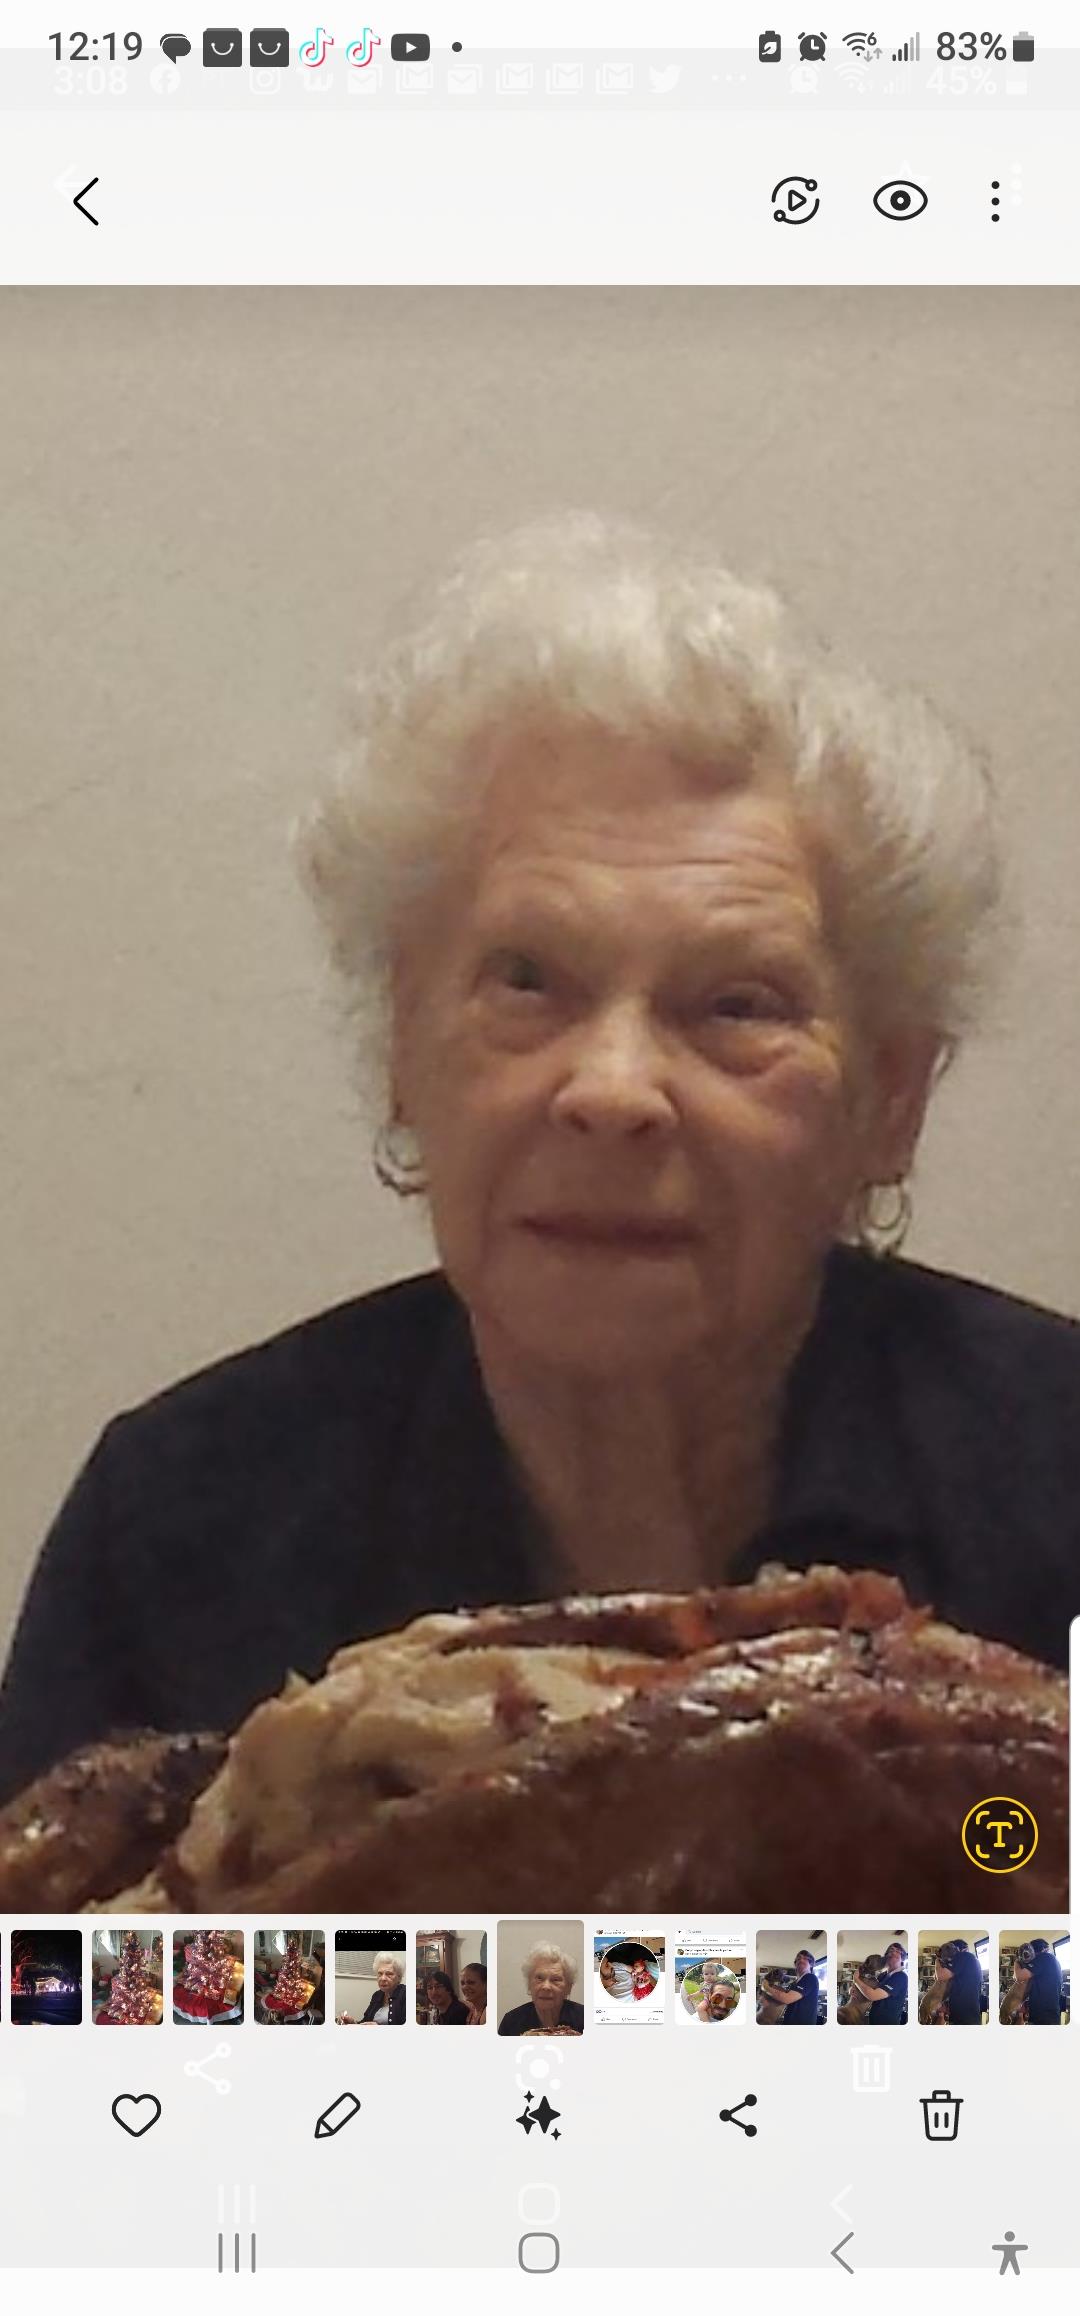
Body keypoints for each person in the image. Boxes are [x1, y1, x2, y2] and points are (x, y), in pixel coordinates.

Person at [5, 513, 1080, 1815]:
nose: (613, 1090)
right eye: (526, 981)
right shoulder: (182, 1525)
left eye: (736, 1003)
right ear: (406, 1047)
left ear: (888, 1101)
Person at [498, 1941, 585, 2035]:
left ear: (568, 1987)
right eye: (539, 1978)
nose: (546, 1986)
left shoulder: (586, 2018)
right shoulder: (511, 2022)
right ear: (529, 1984)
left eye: (555, 1979)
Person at [920, 1938, 983, 2025]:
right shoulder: (970, 1963)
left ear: (959, 1949)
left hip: (965, 2018)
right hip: (966, 2016)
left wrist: (937, 1958)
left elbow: (940, 1976)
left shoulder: (965, 1956)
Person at [852, 1941, 907, 2025]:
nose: (893, 1952)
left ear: (902, 1958)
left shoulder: (901, 1976)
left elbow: (872, 1995)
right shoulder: (882, 1975)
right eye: (891, 1950)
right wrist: (853, 1989)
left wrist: (856, 1980)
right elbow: (867, 1989)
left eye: (898, 1951)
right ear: (886, 1957)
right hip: (873, 2021)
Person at [761, 1948, 821, 2024]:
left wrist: (765, 1986)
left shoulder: (810, 1977)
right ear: (795, 1964)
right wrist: (770, 1983)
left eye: (805, 1959)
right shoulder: (795, 1982)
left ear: (811, 1964)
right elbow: (784, 1993)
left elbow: (786, 1998)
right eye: (798, 1959)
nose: (801, 1960)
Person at [354, 1951, 406, 2025]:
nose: (383, 1978)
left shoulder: (405, 1994)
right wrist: (353, 2022)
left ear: (399, 1977)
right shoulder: (377, 1995)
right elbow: (365, 2021)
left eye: (389, 1974)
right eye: (380, 1974)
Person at [1023, 1937, 1063, 2026]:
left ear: (1034, 1951)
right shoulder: (1053, 1959)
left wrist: (1017, 1963)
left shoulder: (1044, 1957)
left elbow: (1020, 1976)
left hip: (1043, 2016)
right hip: (1050, 2014)